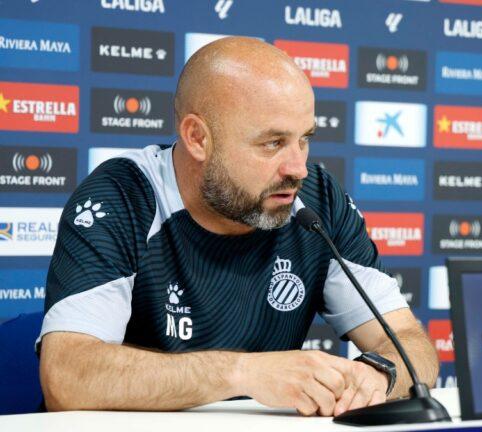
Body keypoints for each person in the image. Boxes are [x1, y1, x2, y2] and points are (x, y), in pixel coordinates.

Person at [37, 37, 438, 416]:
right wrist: (243, 373)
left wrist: (378, 376)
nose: (297, 167)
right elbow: (67, 377)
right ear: (197, 138)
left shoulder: (316, 199)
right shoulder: (123, 196)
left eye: (304, 139)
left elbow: (409, 344)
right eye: (272, 143)